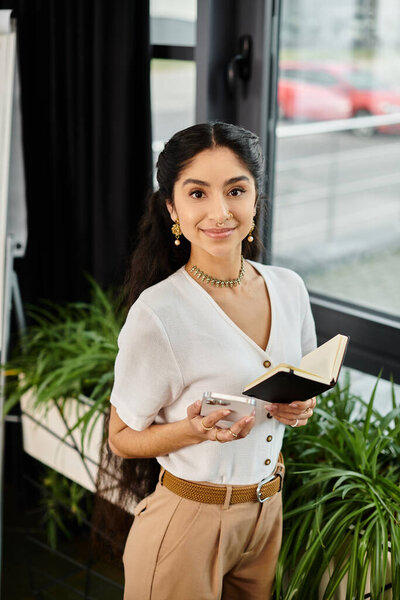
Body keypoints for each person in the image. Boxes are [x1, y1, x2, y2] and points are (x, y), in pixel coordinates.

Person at [107, 121, 317, 600]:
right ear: (172, 208)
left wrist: (299, 409)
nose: (220, 212)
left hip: (267, 513)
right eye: (198, 193)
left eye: (236, 190)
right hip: (189, 522)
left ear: (256, 197)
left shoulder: (288, 288)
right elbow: (120, 438)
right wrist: (192, 430)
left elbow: (298, 390)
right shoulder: (158, 314)